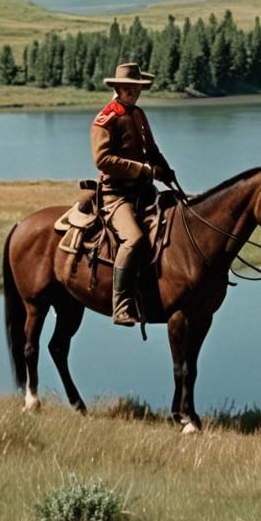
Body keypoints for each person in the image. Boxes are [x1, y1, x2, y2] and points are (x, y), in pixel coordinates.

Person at [91, 62, 176, 325]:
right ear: (117, 88)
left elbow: (151, 149)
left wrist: (164, 168)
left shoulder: (138, 114)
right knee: (134, 239)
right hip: (116, 196)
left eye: (137, 88)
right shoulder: (106, 118)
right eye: (128, 88)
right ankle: (122, 306)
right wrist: (143, 170)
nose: (133, 92)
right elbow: (102, 160)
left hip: (144, 192)